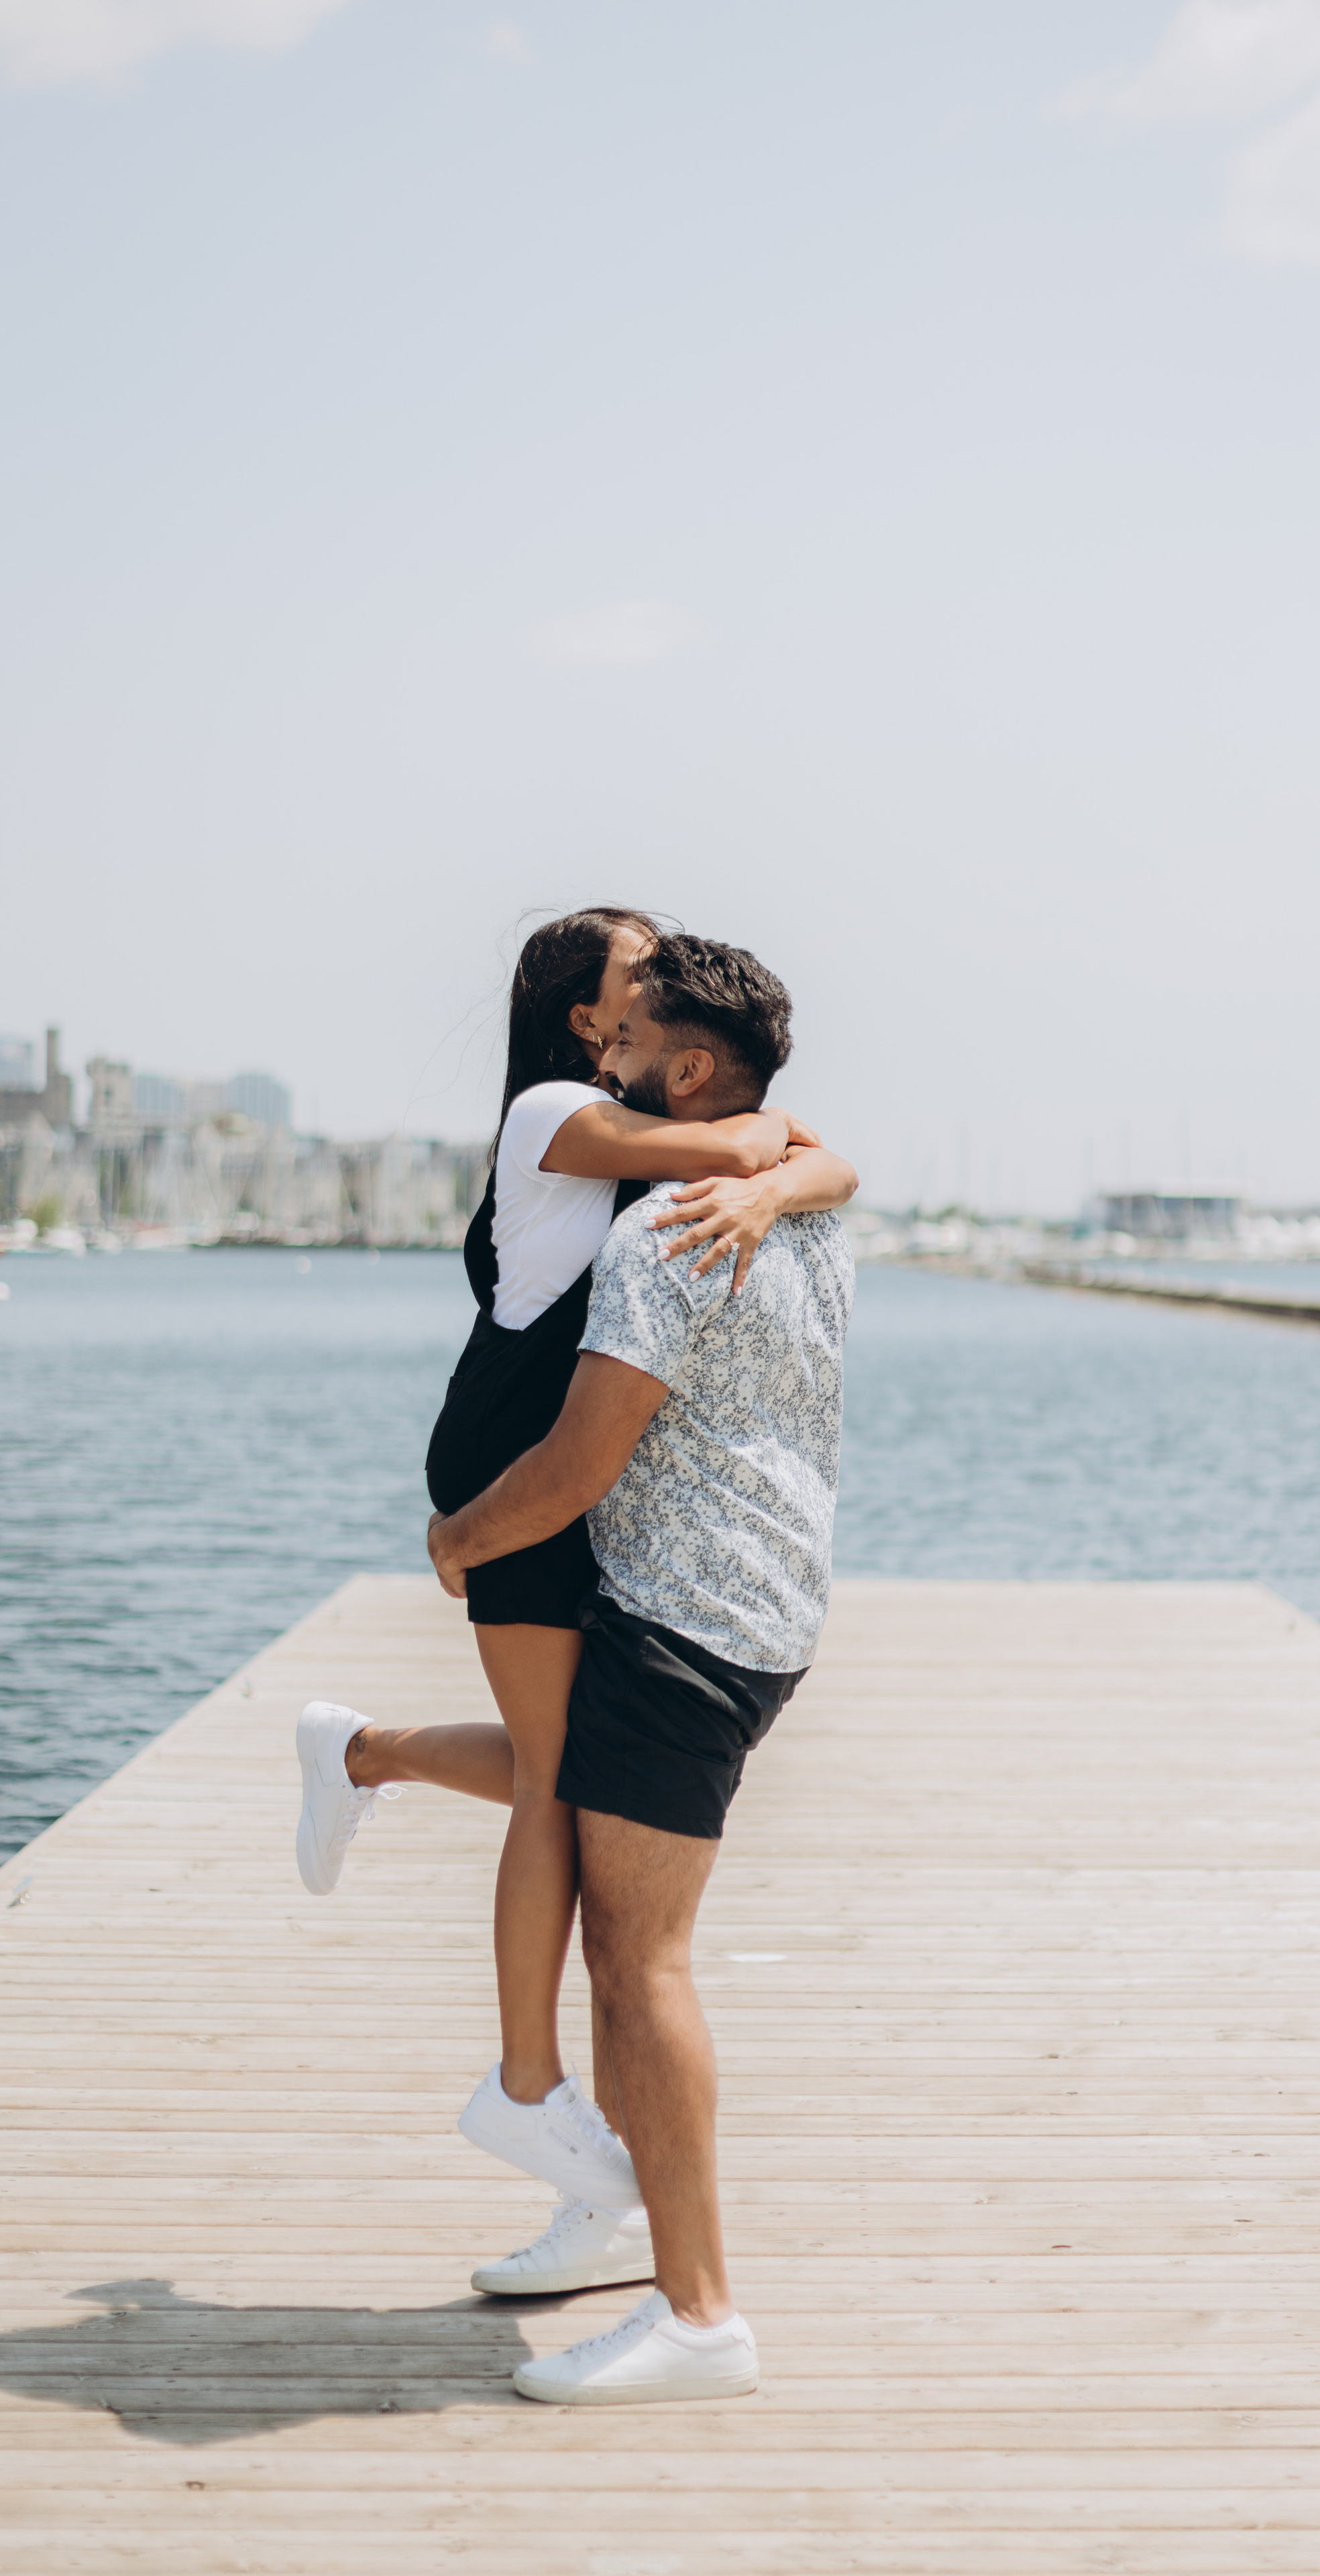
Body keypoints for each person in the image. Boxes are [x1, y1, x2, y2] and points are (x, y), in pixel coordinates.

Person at [294, 906, 856, 2270]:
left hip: (565, 1465)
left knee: (571, 1767)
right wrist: (767, 1163)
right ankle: (527, 2087)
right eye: (631, 975)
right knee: (558, 1780)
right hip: (518, 1462)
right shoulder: (555, 1106)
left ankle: (358, 1753)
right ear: (580, 1018)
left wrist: (785, 1175)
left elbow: (801, 1150)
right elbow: (743, 1134)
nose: (651, 984)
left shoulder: (632, 1121)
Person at [426, 934, 855, 2405]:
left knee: (641, 1963)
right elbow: (819, 1159)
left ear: (681, 1071)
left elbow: (574, 1462)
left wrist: (459, 1533)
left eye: (630, 1044)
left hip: (680, 1626)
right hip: (763, 1608)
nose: (600, 1060)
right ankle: (615, 2236)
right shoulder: (788, 1216)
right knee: (623, 1943)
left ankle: (698, 2317)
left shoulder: (667, 1230)